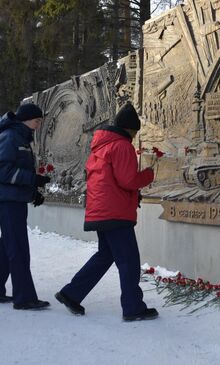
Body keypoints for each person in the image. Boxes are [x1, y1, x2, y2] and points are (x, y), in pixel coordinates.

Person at [55, 103, 157, 321]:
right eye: (135, 132)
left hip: (101, 212)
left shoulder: (100, 146)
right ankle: (133, 308)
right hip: (115, 214)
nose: (135, 136)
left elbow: (111, 181)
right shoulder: (122, 146)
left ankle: (71, 294)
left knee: (105, 256)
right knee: (129, 261)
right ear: (130, 129)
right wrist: (149, 174)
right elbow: (128, 180)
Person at [0, 103, 51, 310]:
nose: (38, 125)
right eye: (37, 121)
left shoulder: (19, 136)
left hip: (14, 199)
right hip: (8, 201)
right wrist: (32, 179)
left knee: (8, 246)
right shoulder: (11, 136)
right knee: (18, 248)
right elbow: (0, 171)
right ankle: (24, 297)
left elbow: (14, 170)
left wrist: (33, 190)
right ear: (26, 119)